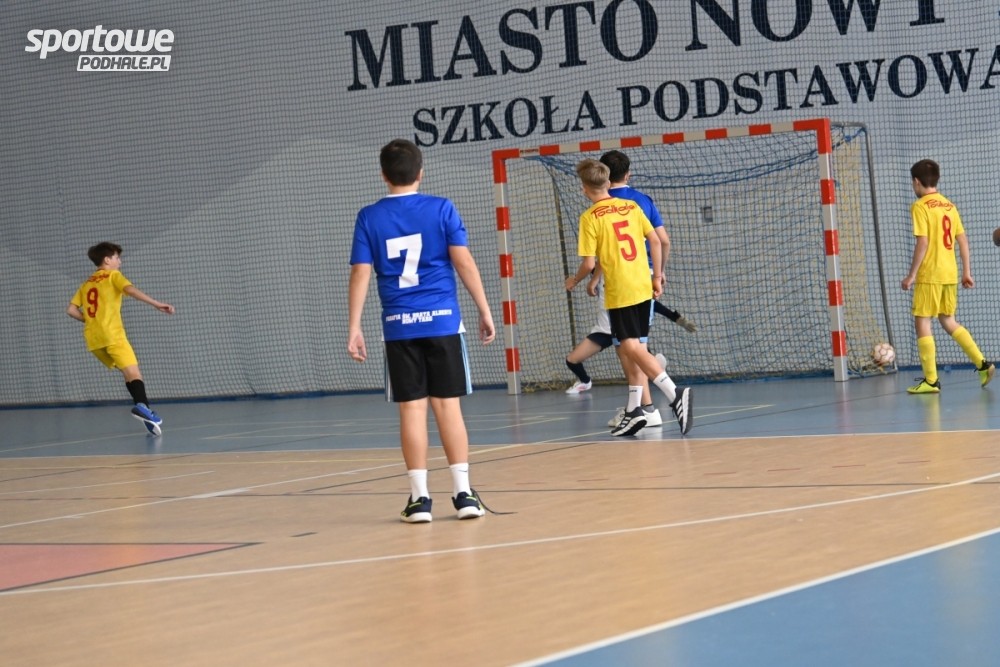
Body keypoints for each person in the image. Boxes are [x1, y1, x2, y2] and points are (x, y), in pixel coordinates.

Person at [348, 138, 496, 523]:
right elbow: (464, 263)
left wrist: (354, 326)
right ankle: (463, 494)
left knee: (412, 409)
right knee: (448, 406)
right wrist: (484, 310)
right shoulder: (441, 208)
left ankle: (419, 500)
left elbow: (361, 272)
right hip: (443, 321)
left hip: (399, 326)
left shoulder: (369, 217)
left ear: (383, 175)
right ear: (421, 173)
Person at [565, 159, 692, 436]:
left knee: (630, 347)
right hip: (643, 283)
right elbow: (656, 240)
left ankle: (674, 392)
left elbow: (589, 263)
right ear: (608, 182)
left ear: (584, 188)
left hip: (620, 288)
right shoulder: (632, 206)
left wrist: (574, 280)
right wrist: (657, 276)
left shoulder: (590, 217)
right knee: (631, 345)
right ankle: (635, 411)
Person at [901, 159, 994, 394]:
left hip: (930, 274)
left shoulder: (920, 206)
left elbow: (923, 242)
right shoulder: (950, 206)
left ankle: (931, 381)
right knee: (948, 320)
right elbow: (963, 240)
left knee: (923, 322)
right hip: (950, 273)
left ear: (916, 181)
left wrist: (911, 275)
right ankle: (982, 364)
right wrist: (966, 272)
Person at [66, 242, 175, 435]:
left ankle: (144, 410)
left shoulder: (87, 284)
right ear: (107, 260)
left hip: (94, 340)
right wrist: (156, 304)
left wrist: (91, 321)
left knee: (127, 372)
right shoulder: (113, 276)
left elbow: (71, 310)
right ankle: (143, 407)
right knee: (134, 372)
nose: (120, 262)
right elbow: (131, 290)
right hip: (113, 335)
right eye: (117, 258)